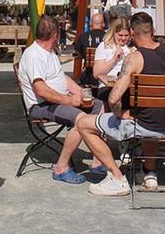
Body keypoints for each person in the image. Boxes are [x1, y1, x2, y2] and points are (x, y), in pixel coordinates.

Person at [76, 12, 165, 196]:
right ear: (154, 30)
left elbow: (113, 98)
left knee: (83, 124)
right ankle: (149, 171)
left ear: (132, 33)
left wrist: (120, 114)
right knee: (152, 114)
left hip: (144, 125)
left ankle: (117, 177)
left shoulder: (134, 59)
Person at [18, 16, 104, 184]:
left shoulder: (49, 51)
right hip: (42, 105)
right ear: (55, 35)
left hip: (56, 101)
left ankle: (97, 159)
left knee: (99, 106)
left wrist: (81, 93)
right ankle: (61, 167)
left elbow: (61, 78)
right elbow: (41, 90)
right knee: (81, 119)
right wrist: (70, 100)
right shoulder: (34, 55)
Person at [92, 17, 131, 92]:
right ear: (113, 33)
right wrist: (114, 60)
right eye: (120, 35)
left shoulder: (132, 48)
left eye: (126, 35)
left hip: (127, 87)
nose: (123, 38)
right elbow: (96, 74)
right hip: (107, 87)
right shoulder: (104, 46)